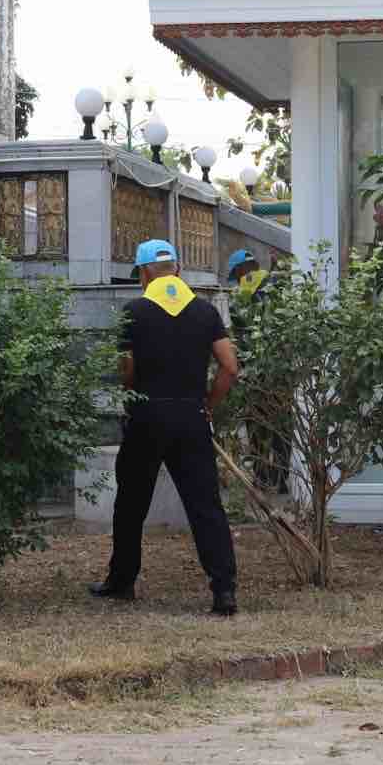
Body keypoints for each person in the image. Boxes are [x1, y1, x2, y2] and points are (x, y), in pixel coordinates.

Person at [92, 239, 241, 616]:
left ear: (144, 273)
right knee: (206, 506)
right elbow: (229, 367)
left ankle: (122, 581)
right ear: (178, 269)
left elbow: (127, 368)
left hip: (147, 418)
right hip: (191, 417)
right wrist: (208, 405)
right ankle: (224, 590)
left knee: (131, 504)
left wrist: (133, 394)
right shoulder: (205, 311)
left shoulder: (134, 312)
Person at [226, 249, 287, 494]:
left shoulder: (239, 298)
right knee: (281, 428)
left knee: (256, 426)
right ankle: (282, 481)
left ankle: (262, 478)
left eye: (236, 274)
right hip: (280, 372)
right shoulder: (278, 286)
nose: (237, 279)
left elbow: (238, 338)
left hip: (253, 375)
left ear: (241, 269)